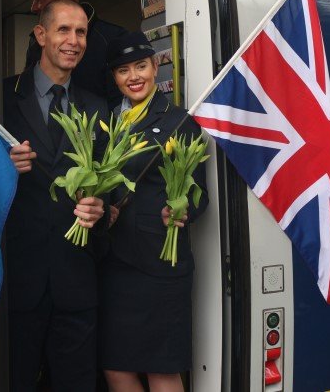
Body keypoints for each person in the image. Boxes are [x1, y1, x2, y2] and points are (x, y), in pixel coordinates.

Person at [4, 0, 109, 391]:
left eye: (81, 32)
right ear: (41, 34)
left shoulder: (97, 107)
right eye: (64, 29)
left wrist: (103, 206)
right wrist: (3, 166)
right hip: (19, 280)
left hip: (77, 280)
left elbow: (109, 186)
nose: (74, 40)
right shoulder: (2, 98)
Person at [98, 31, 209, 392]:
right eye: (123, 70)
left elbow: (199, 193)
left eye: (141, 66)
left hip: (160, 264)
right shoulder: (108, 121)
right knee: (116, 367)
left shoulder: (178, 121)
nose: (134, 77)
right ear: (114, 77)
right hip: (115, 264)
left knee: (161, 370)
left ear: (155, 65)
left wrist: (182, 211)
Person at [24, 0, 127, 108]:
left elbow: (121, 102)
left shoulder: (113, 38)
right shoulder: (7, 97)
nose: (33, 7)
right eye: (63, 30)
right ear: (41, 35)